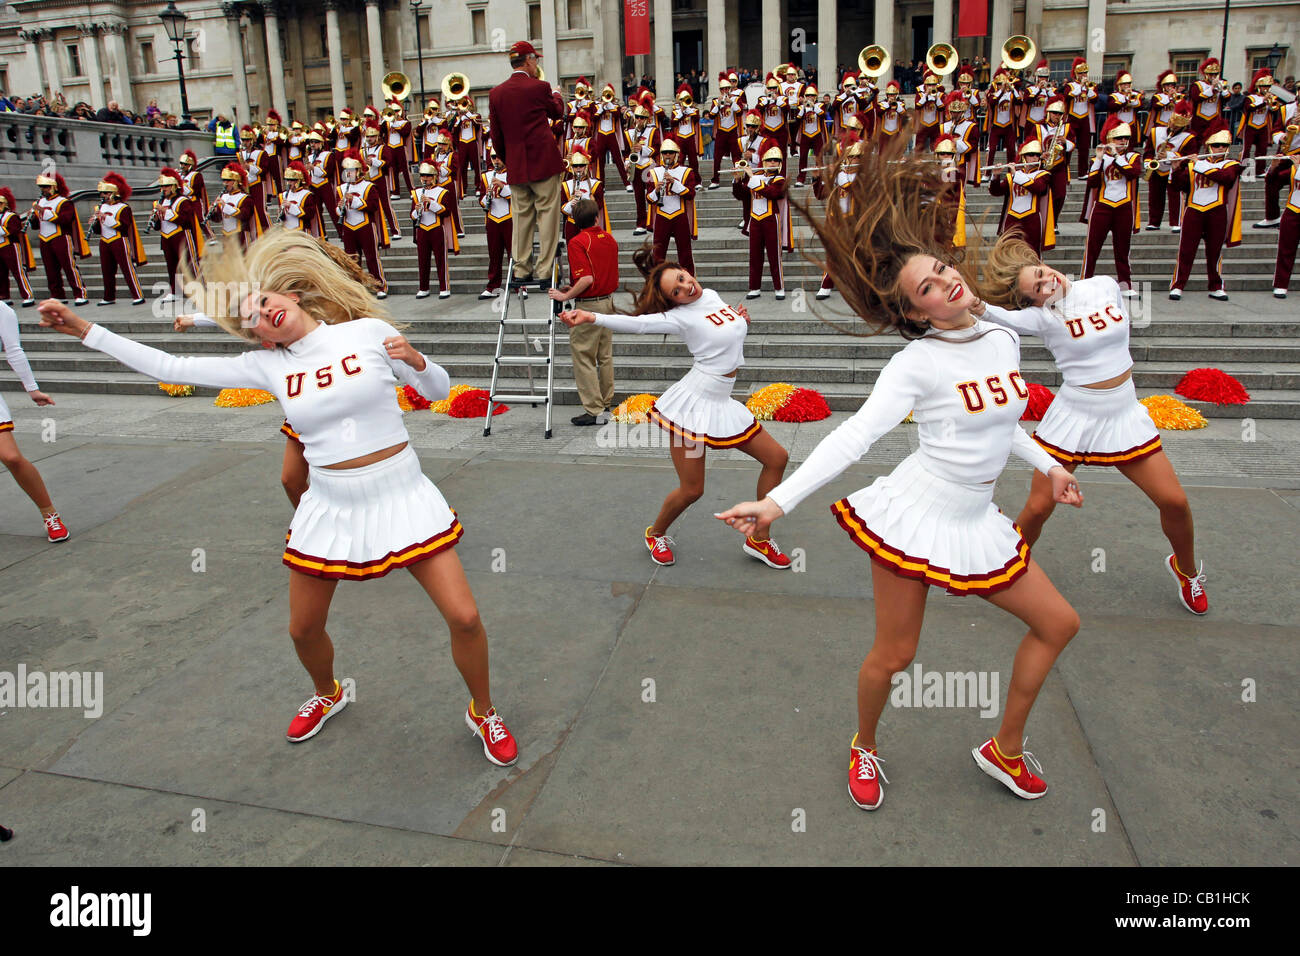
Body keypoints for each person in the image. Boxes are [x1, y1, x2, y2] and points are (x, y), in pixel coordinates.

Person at [36, 231, 519, 764]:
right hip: (331, 506)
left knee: (466, 618)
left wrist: (419, 361)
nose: (264, 315)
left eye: (265, 302)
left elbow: (436, 392)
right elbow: (170, 368)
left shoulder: (368, 333)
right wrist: (84, 328)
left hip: (402, 493)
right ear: (258, 339)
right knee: (303, 628)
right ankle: (328, 692)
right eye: (253, 320)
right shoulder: (267, 366)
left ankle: (484, 710)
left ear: (289, 294)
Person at [715, 146, 1083, 812]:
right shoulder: (915, 364)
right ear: (915, 314)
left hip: (978, 521)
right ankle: (864, 743)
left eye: (941, 271)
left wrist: (1051, 466)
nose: (946, 284)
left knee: (1059, 624)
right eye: (927, 289)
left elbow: (1001, 426)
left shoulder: (1001, 339)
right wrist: (775, 502)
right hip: (914, 515)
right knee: (895, 655)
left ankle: (1005, 747)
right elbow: (855, 437)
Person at [977, 236, 1208, 614]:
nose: (1047, 283)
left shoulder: (1102, 285)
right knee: (1037, 509)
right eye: (1037, 289)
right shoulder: (1042, 317)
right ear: (1032, 301)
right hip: (1073, 418)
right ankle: (1003, 569)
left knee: (1175, 501)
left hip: (1123, 415)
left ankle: (1185, 570)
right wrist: (967, 301)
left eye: (1041, 273)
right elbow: (992, 314)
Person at [560, 250, 792, 570]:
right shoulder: (679, 317)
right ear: (673, 301)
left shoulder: (710, 294)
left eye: (683, 278)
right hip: (693, 407)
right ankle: (656, 534)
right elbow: (637, 325)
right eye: (677, 291)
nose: (687, 287)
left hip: (723, 403)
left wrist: (741, 322)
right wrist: (591, 317)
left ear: (686, 270)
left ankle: (760, 537)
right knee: (693, 489)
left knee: (777, 458)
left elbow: (724, 331)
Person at [489, 40, 565, 288]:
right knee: (547, 215)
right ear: (529, 60)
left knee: (521, 218)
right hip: (543, 161)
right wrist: (557, 94)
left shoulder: (496, 93)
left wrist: (508, 159)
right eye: (536, 60)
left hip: (518, 166)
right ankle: (544, 270)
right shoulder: (539, 87)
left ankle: (521, 268)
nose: (537, 65)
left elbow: (496, 135)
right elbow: (556, 113)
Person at [1, 301, 69, 541]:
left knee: (11, 457)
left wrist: (32, 389)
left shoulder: (2, 310)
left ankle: (50, 514)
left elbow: (14, 350)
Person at [549, 199, 618, 426]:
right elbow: (595, 275)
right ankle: (606, 404)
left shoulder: (578, 241)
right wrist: (576, 285)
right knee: (604, 356)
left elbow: (587, 278)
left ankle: (594, 411)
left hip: (589, 304)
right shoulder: (608, 238)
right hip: (608, 301)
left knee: (584, 356)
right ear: (597, 217)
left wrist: (565, 296)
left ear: (575, 221)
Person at [1169, 121, 1242, 301]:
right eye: (1216, 145)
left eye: (1223, 145)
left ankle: (1216, 286)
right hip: (1193, 211)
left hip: (1217, 211)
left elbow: (1225, 178)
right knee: (1186, 250)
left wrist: (1199, 165)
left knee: (1214, 251)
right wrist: (1176, 169)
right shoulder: (1194, 165)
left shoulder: (1231, 164)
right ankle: (1178, 285)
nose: (1219, 148)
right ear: (1208, 146)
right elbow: (1180, 186)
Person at [1080, 116, 1141, 294]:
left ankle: (1125, 283)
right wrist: (1099, 159)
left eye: (1126, 138)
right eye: (1118, 138)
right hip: (1102, 206)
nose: (1123, 141)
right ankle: (1084, 283)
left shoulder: (1133, 157)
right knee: (1092, 247)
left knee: (1123, 248)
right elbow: (1091, 182)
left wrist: (1115, 155)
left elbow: (1132, 173)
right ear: (1109, 139)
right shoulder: (1098, 158)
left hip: (1124, 206)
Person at [29, 172, 90, 306]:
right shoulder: (40, 202)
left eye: (46, 187)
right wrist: (33, 216)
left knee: (69, 267)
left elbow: (65, 220)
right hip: (44, 239)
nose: (43, 190)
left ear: (54, 187)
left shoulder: (64, 202)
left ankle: (80, 293)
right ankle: (57, 295)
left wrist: (43, 212)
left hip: (61, 237)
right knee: (50, 269)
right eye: (42, 187)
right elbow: (35, 226)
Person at [88, 172, 147, 306]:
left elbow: (123, 226)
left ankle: (137, 295)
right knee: (106, 270)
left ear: (113, 193)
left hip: (119, 240)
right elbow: (99, 230)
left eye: (105, 193)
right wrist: (95, 223)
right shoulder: (101, 207)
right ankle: (109, 297)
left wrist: (104, 218)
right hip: (104, 241)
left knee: (127, 269)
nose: (102, 196)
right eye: (102, 194)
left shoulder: (124, 208)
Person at [0, 187, 36, 306]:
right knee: (1, 273)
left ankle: (27, 295)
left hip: (10, 246)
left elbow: (14, 230)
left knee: (18, 271)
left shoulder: (11, 216)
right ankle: (4, 296)